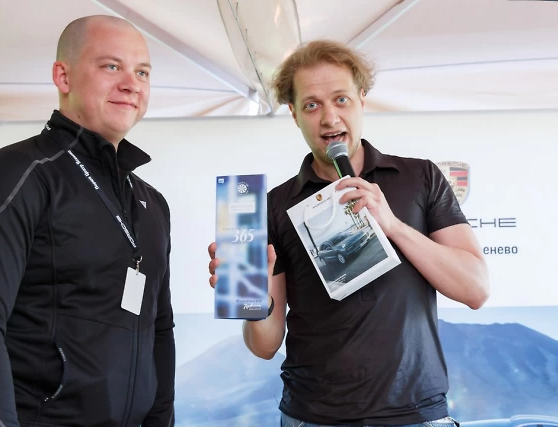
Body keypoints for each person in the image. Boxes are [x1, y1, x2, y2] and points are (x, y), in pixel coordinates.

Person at [208, 40, 489, 427]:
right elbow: (264, 346)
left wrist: (392, 225)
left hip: (415, 414)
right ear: (294, 114)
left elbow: (475, 289)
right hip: (312, 416)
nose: (329, 118)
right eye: (312, 105)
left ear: (361, 100)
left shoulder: (421, 177)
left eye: (341, 99)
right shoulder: (273, 206)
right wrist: (254, 302)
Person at [0, 15, 174, 426]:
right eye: (111, 66)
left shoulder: (152, 202)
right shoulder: (14, 175)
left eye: (142, 72)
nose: (131, 84)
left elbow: (160, 329)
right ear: (63, 77)